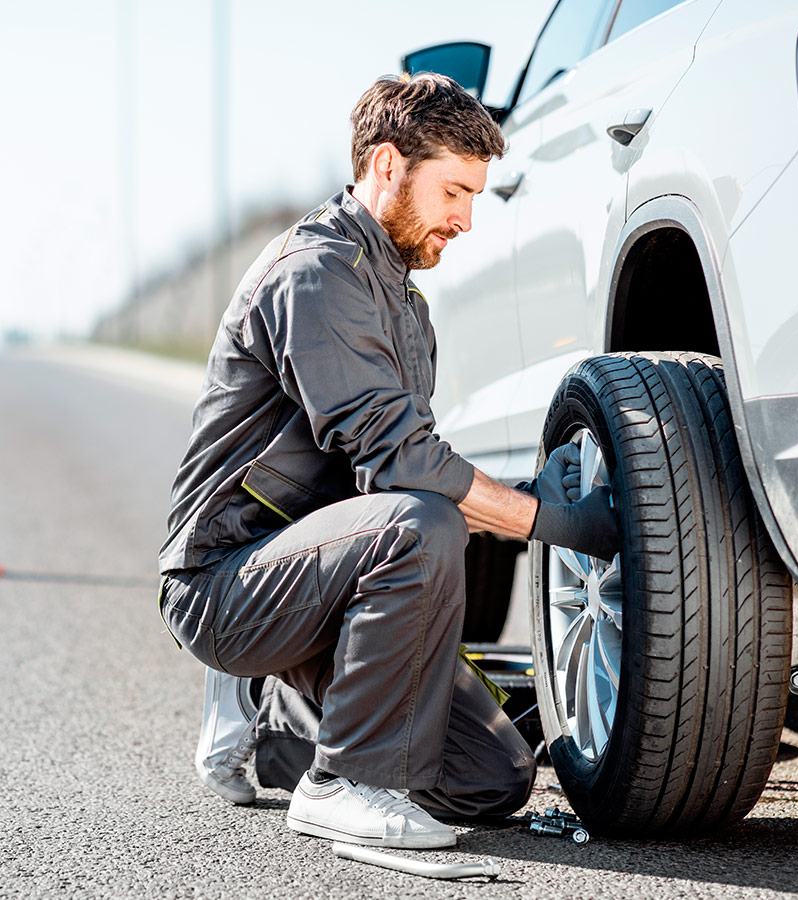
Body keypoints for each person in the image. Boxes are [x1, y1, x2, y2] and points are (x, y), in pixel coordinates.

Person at [158, 73, 620, 850]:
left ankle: (279, 725)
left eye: (475, 197)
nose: (467, 219)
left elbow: (400, 468)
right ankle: (345, 783)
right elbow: (404, 474)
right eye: (453, 192)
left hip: (318, 573)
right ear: (385, 167)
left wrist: (514, 498)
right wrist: (549, 520)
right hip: (224, 579)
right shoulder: (317, 274)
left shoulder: (405, 304)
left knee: (490, 778)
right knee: (418, 524)